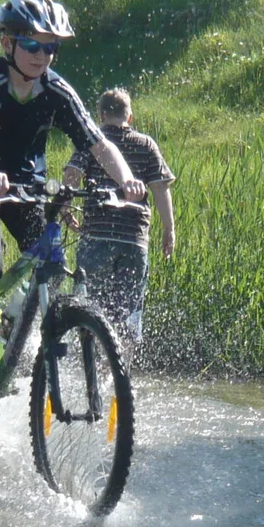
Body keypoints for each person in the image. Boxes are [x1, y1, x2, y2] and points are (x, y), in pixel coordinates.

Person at [0, 0, 147, 418]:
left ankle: (16, 327)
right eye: (32, 44)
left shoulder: (56, 90)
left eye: (50, 47)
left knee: (48, 259)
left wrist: (125, 178)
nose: (42, 55)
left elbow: (98, 142)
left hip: (23, 180)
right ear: (8, 44)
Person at [63, 87, 175, 345]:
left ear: (100, 115)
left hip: (96, 238)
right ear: (130, 117)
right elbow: (160, 189)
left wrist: (66, 209)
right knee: (128, 316)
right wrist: (169, 229)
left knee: (90, 310)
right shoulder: (146, 144)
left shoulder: (92, 139)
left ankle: (92, 372)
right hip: (134, 241)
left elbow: (72, 175)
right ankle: (119, 378)